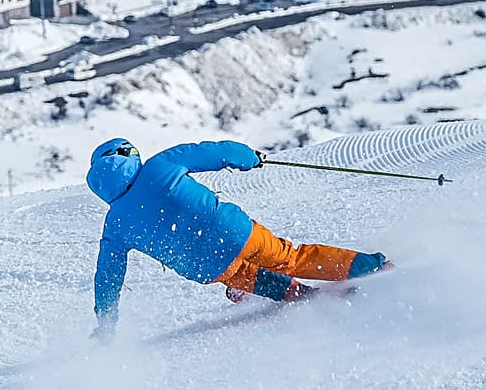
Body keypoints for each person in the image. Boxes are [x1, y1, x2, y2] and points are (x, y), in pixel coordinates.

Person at [86, 138, 390, 342]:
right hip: (234, 233)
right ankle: (373, 266)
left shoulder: (116, 224)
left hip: (205, 267)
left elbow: (108, 278)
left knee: (245, 275)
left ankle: (298, 295)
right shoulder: (160, 165)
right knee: (290, 258)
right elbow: (214, 152)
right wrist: (251, 159)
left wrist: (106, 322)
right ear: (127, 158)